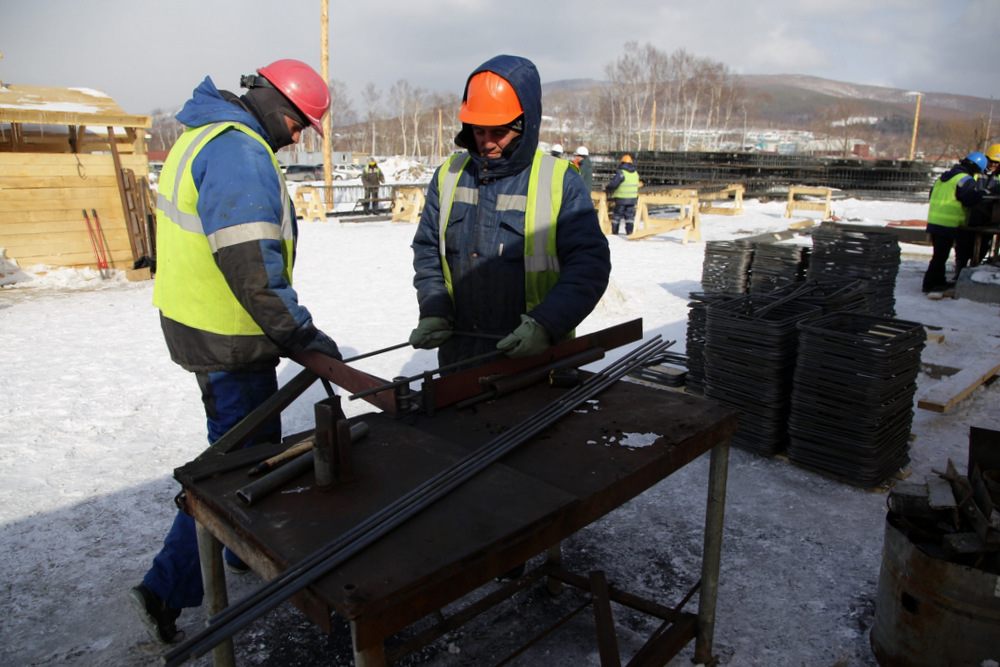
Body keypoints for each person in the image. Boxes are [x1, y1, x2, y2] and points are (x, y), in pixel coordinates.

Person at [129, 59, 343, 644]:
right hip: (230, 335)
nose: (298, 136)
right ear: (276, 103)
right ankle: (166, 587)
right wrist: (299, 335)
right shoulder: (239, 151)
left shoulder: (201, 133)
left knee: (247, 447)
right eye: (299, 123)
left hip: (200, 325)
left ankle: (238, 554)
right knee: (235, 464)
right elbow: (254, 270)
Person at [409, 55, 610, 371]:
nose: (486, 143)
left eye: (498, 132)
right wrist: (435, 308)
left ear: (524, 125)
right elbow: (428, 251)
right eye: (478, 131)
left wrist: (545, 324)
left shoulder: (559, 180)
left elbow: (590, 266)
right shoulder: (449, 175)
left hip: (536, 361)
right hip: (460, 359)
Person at [922, 151, 988, 293]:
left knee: (939, 255)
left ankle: (936, 281)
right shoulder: (965, 179)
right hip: (948, 223)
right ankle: (931, 284)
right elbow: (969, 199)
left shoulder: (944, 177)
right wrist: (982, 195)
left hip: (934, 222)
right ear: (976, 169)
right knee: (941, 256)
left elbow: (931, 195)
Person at [966, 144, 1000, 263]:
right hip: (971, 216)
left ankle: (976, 265)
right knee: (966, 246)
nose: (993, 165)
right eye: (991, 161)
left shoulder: (998, 176)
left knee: (984, 246)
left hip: (988, 218)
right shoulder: (976, 172)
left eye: (997, 162)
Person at [605, 154, 639, 235]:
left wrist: (608, 188)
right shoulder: (635, 173)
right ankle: (630, 231)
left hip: (621, 198)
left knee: (617, 215)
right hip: (632, 198)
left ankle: (615, 231)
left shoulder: (621, 173)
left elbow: (614, 184)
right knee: (630, 216)